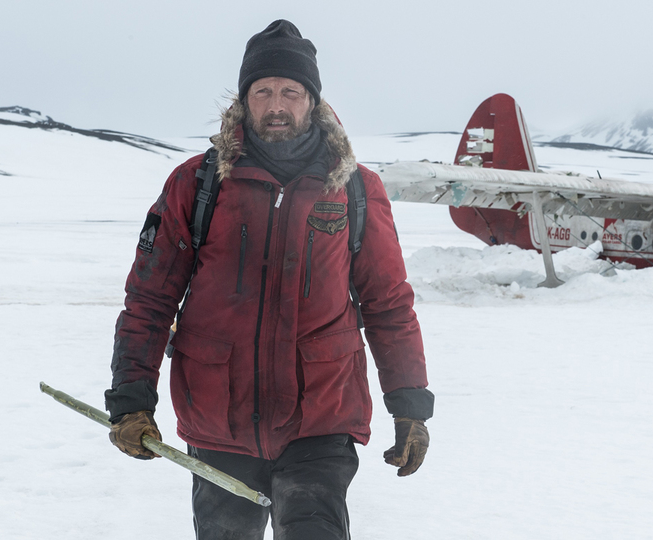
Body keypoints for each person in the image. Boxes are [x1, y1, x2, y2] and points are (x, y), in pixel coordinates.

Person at [104, 19, 433, 540]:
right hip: (219, 421)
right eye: (263, 92)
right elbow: (149, 298)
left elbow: (388, 303)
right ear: (243, 101)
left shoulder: (355, 190)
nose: (276, 105)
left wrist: (410, 405)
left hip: (321, 418)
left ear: (313, 100)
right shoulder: (198, 183)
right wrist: (131, 400)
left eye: (290, 92)